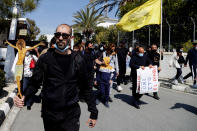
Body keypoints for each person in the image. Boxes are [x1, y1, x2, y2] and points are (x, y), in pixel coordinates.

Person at [14, 24, 98, 131]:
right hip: (49, 114)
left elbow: (86, 88)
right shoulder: (45, 58)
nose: (61, 38)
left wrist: (93, 112)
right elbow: (35, 83)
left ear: (71, 38)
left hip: (70, 115)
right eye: (58, 35)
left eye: (65, 35)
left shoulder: (78, 60)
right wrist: (24, 96)